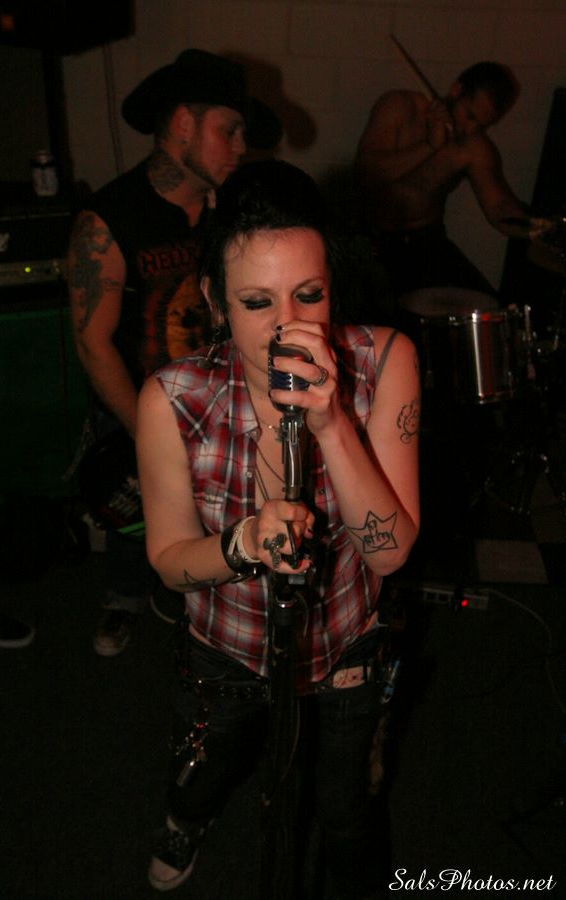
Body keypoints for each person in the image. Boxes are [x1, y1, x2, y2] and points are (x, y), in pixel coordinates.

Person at [136, 160, 420, 897]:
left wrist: (332, 424)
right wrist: (243, 545)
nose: (288, 325)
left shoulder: (386, 359)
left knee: (347, 811)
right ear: (214, 299)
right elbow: (168, 559)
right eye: (257, 302)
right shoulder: (173, 398)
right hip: (226, 648)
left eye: (309, 295)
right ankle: (184, 820)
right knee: (201, 771)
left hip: (347, 641)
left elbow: (391, 553)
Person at [67, 49, 281, 657]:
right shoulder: (110, 217)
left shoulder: (232, 209)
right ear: (184, 124)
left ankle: (216, 607)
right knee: (141, 517)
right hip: (140, 404)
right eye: (228, 129)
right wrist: (151, 435)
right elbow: (92, 342)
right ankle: (124, 599)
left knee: (228, 516)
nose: (240, 146)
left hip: (225, 397)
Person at [354, 61, 542, 309]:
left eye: (481, 125)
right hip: (370, 243)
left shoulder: (473, 145)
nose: (469, 128)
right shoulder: (400, 107)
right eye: (470, 115)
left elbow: (499, 207)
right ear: (456, 90)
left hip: (426, 242)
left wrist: (539, 228)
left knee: (490, 311)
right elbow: (368, 172)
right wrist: (430, 146)